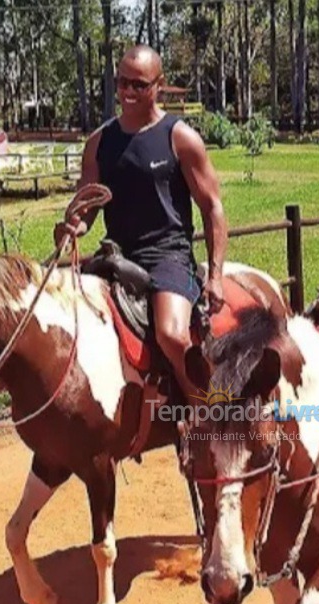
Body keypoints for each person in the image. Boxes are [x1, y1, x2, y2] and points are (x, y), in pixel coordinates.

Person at [55, 44, 228, 404]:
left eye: (139, 84)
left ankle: (210, 411)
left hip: (168, 256)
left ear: (159, 85)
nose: (128, 92)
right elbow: (86, 209)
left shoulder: (180, 138)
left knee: (171, 334)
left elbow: (212, 207)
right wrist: (73, 227)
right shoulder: (99, 143)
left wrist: (215, 275)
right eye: (122, 83)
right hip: (116, 255)